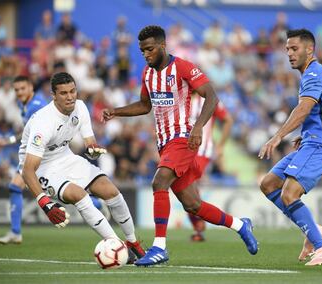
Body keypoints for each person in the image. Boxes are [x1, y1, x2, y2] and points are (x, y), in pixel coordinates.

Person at [102, 25, 258, 266]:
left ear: (163, 46)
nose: (146, 54)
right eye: (142, 50)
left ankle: (159, 247)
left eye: (150, 49)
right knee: (192, 204)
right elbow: (145, 106)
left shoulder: (183, 67)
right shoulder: (147, 74)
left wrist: (197, 128)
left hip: (183, 139)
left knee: (159, 181)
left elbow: (212, 96)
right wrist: (116, 111)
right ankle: (240, 225)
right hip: (165, 143)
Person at [18, 72, 145, 262]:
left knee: (110, 189)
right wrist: (44, 203)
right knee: (78, 194)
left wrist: (93, 149)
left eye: (72, 91)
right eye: (63, 93)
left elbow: (89, 142)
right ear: (53, 96)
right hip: (41, 167)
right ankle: (116, 246)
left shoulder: (80, 107)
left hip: (65, 157)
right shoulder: (43, 122)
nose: (70, 97)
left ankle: (133, 243)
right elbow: (28, 170)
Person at [259, 29, 322, 266]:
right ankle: (312, 229)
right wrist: (304, 133)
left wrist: (278, 136)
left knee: (289, 193)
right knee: (268, 184)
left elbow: (304, 108)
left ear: (310, 49)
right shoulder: (310, 74)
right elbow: (316, 112)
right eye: (287, 49)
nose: (289, 53)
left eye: (294, 48)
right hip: (311, 141)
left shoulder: (314, 72)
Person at [0, 75, 48, 244]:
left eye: (22, 89)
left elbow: (37, 134)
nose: (19, 93)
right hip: (37, 151)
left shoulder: (37, 106)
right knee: (18, 186)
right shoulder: (23, 104)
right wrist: (9, 140)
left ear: (31, 87)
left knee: (55, 193)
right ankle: (15, 232)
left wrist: (9, 140)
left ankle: (15, 232)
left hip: (45, 152)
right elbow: (27, 131)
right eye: (16, 90)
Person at [188, 93, 233, 242]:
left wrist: (220, 146)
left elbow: (227, 120)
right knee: (185, 190)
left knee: (188, 186)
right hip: (181, 151)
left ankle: (199, 226)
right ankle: (198, 224)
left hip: (202, 151)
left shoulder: (209, 100)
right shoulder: (180, 97)